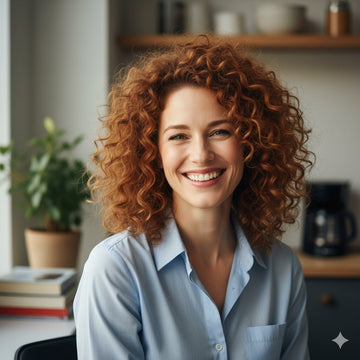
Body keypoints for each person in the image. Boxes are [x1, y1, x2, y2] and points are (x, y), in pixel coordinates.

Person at [74, 36, 313, 359]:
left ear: (251, 142)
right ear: (151, 151)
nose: (201, 155)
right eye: (178, 136)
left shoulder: (283, 268)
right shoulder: (115, 270)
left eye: (220, 131)